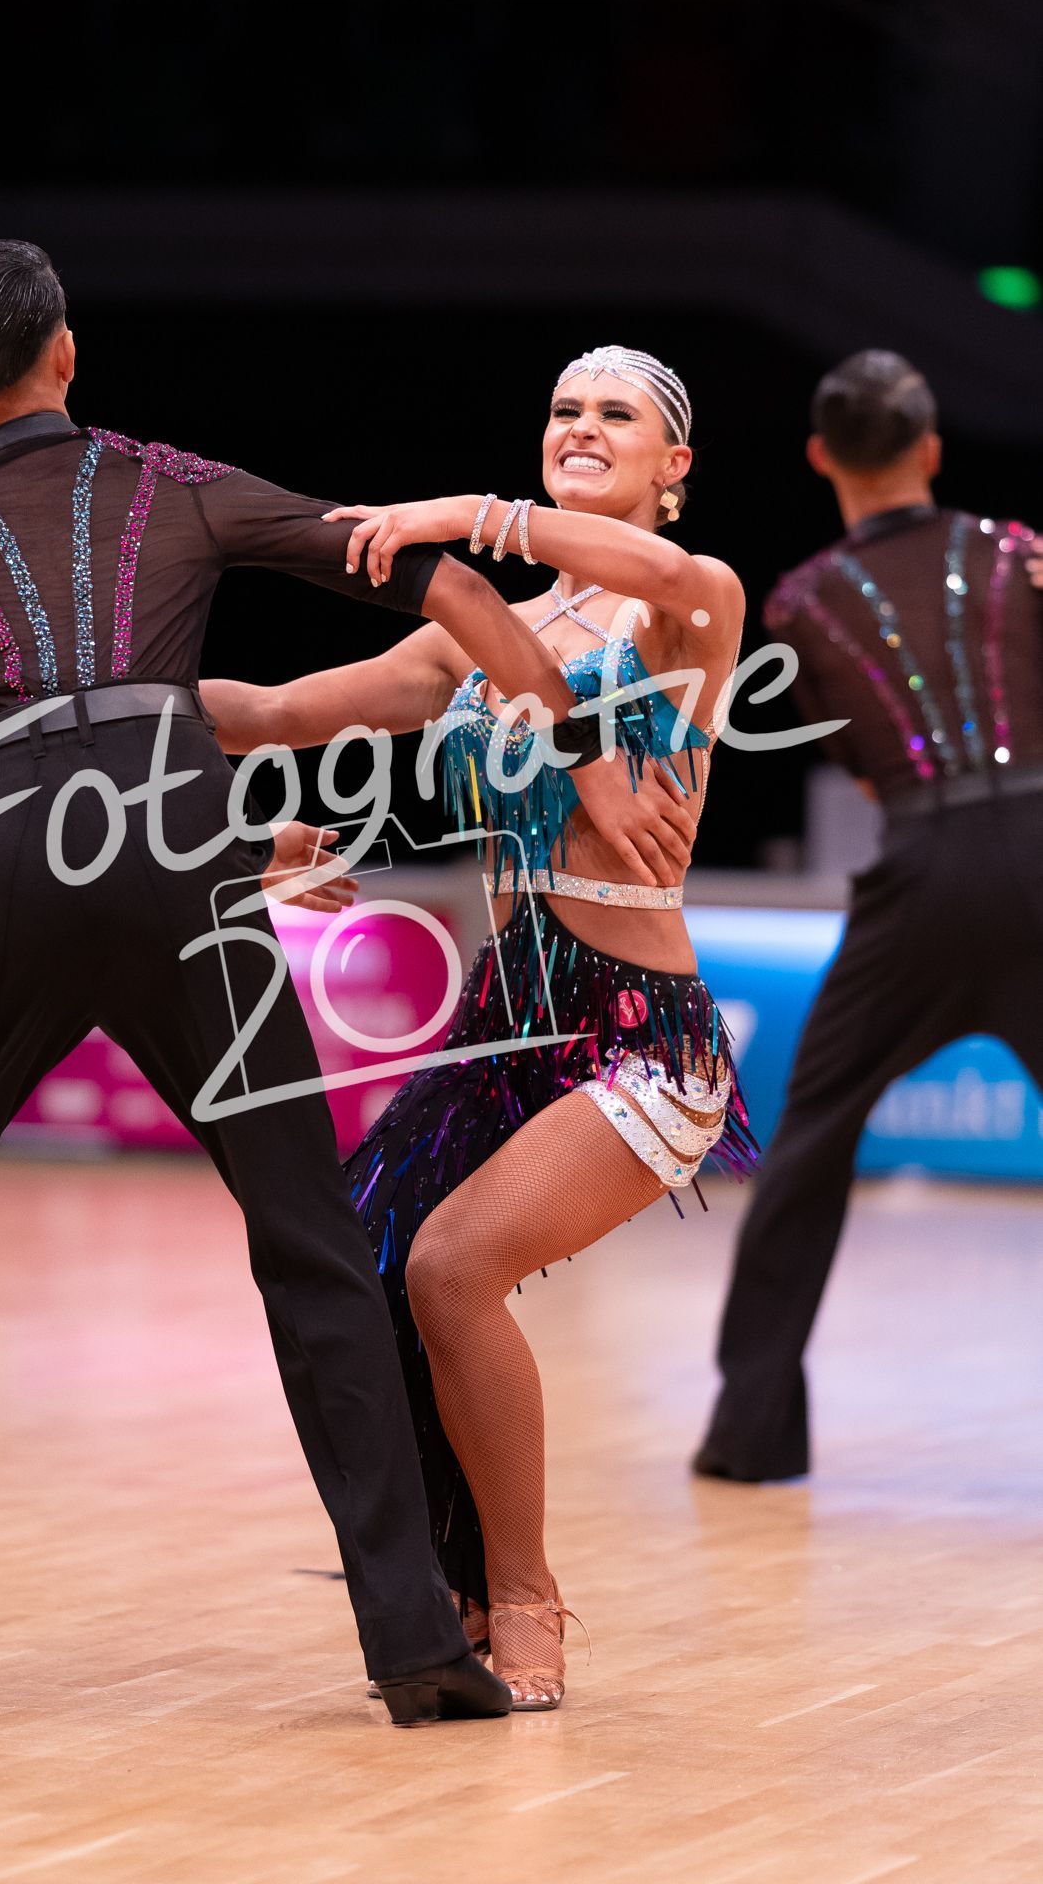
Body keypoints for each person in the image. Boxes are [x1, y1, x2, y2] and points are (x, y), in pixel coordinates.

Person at [0, 242, 674, 1726]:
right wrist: (574, 741)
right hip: (181, 867)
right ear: (66, 351)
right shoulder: (170, 479)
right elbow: (425, 580)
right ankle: (415, 1641)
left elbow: (34, 736)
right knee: (309, 1237)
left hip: (18, 872)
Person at [202, 345, 757, 1710]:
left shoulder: (687, 603)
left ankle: (525, 1592)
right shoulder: (471, 642)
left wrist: (464, 516)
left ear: (673, 467)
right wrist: (63, 707)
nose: (582, 426)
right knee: (355, 1264)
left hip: (639, 1037)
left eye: (616, 414)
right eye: (565, 408)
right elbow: (272, 714)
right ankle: (440, 1576)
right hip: (505, 1035)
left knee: (451, 1267)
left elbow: (666, 573)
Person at [692, 349, 1043, 1484]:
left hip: (922, 874)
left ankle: (750, 1434)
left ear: (820, 457)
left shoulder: (800, 602)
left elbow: (850, 757)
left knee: (810, 1139)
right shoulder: (1016, 552)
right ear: (930, 447)